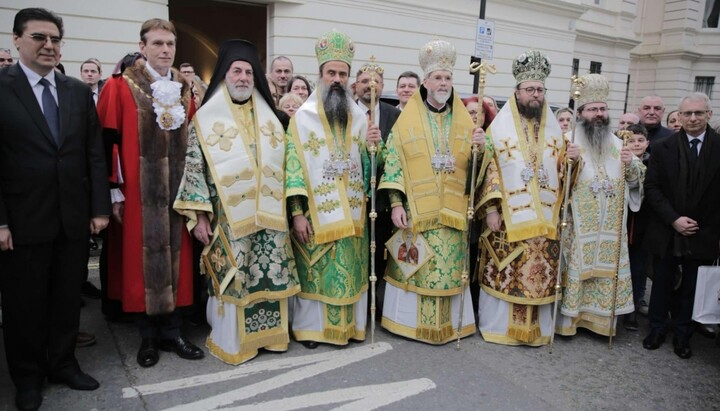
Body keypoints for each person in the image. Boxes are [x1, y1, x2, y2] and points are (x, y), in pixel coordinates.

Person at [0, 8, 110, 410]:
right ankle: (27, 379)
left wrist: (99, 207)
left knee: (66, 299)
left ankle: (63, 363)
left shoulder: (77, 91)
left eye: (55, 39)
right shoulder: (2, 86)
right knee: (24, 305)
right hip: (21, 221)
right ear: (17, 40)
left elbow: (93, 154)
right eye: (38, 38)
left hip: (72, 217)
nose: (48, 46)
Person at [174, 39, 300, 365]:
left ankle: (270, 338)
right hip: (228, 215)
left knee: (269, 273)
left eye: (248, 72)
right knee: (236, 275)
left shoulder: (272, 119)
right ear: (225, 75)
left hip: (270, 215)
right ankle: (234, 341)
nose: (243, 77)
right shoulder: (204, 118)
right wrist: (200, 217)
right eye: (236, 71)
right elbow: (193, 169)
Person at [97, 18, 203, 369]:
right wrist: (113, 191)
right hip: (138, 193)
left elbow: (195, 145)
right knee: (140, 267)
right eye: (157, 43)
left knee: (178, 264)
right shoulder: (120, 86)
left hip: (178, 194)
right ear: (142, 47)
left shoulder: (186, 89)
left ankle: (173, 331)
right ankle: (147, 336)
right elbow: (107, 143)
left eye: (170, 44)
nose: (164, 50)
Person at [378, 39, 482, 344]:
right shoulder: (406, 119)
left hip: (451, 213)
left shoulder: (464, 121)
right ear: (425, 82)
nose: (444, 83)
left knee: (448, 270)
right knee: (417, 270)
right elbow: (393, 160)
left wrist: (480, 150)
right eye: (438, 77)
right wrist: (396, 203)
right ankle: (407, 324)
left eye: (448, 78)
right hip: (417, 213)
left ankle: (448, 326)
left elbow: (475, 170)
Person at [285, 30, 381, 348]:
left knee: (348, 272)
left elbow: (368, 174)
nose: (337, 79)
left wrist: (373, 150)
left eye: (343, 73)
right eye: (332, 73)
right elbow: (294, 169)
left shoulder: (359, 119)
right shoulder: (302, 120)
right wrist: (297, 214)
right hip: (317, 215)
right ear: (321, 75)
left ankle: (350, 328)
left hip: (352, 216)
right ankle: (312, 330)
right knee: (318, 272)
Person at [477, 49, 579, 346]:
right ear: (517, 91)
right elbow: (489, 168)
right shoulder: (499, 127)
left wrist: (572, 160)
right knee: (507, 270)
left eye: (540, 89)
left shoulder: (554, 130)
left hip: (544, 221)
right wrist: (491, 210)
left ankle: (536, 330)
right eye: (530, 89)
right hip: (509, 219)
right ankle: (499, 328)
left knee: (538, 273)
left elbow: (564, 173)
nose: (535, 94)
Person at [555, 73, 645, 337]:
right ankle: (571, 322)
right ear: (581, 113)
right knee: (577, 268)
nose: (598, 113)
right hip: (578, 224)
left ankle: (602, 323)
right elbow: (557, 179)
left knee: (605, 272)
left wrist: (630, 165)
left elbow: (638, 178)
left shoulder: (619, 143)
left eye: (602, 109)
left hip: (610, 228)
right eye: (593, 109)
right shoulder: (567, 140)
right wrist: (567, 162)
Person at [642, 92, 719, 359]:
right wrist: (674, 219)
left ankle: (683, 335)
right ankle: (657, 328)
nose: (693, 118)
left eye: (699, 113)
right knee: (662, 282)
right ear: (680, 115)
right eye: (687, 113)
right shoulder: (664, 147)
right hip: (667, 229)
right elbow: (652, 188)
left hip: (704, 231)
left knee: (692, 287)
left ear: (709, 114)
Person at [354, 62, 401, 320]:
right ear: (356, 85)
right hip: (355, 197)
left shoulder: (394, 114)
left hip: (383, 198)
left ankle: (377, 305)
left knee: (382, 252)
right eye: (364, 81)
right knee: (359, 252)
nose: (370, 86)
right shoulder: (347, 112)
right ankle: (359, 304)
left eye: (376, 82)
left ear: (383, 86)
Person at [623, 123, 651, 330]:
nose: (636, 144)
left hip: (643, 224)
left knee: (639, 267)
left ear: (647, 143)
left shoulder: (653, 162)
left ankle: (634, 306)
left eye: (640, 140)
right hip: (623, 222)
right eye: (631, 140)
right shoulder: (620, 161)